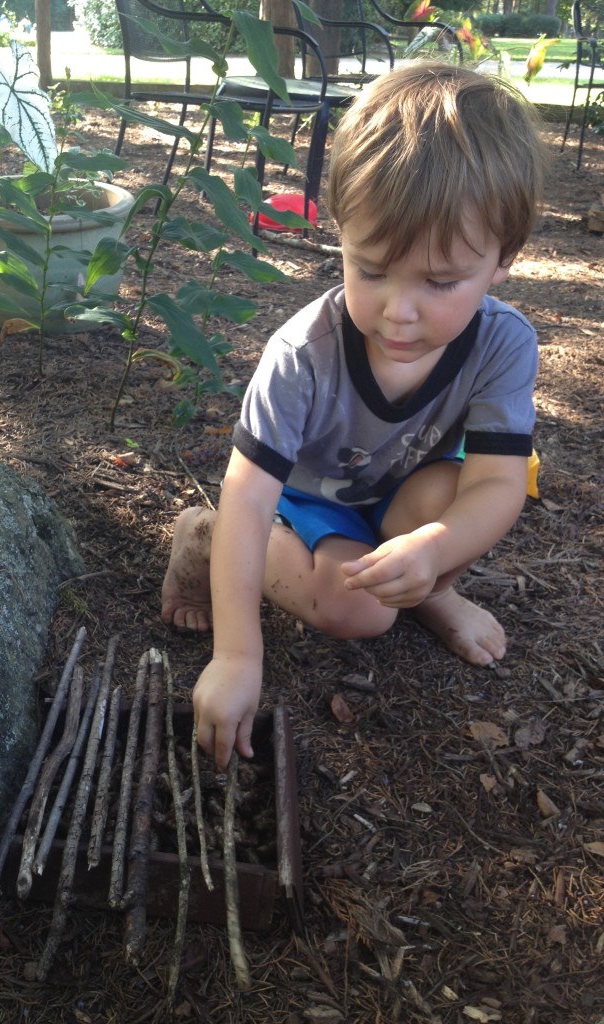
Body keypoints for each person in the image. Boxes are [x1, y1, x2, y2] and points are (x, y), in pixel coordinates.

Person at [161, 60, 547, 769]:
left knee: (449, 503)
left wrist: (432, 552)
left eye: (440, 282)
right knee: (358, 612)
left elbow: (495, 484)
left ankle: (430, 591)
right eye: (370, 270)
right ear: (339, 233)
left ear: (503, 258)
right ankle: (201, 540)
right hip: (302, 507)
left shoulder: (504, 342)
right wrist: (238, 653)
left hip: (402, 492)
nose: (399, 310)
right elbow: (251, 495)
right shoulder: (302, 355)